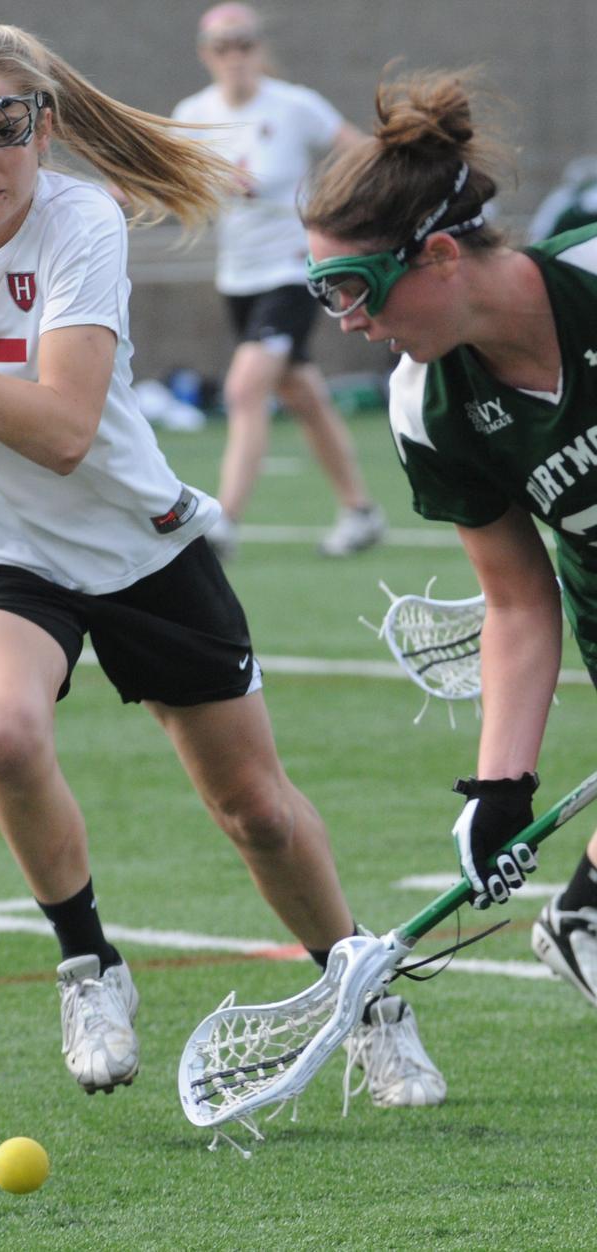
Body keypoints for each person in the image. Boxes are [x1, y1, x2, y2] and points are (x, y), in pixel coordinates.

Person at [0, 23, 445, 1105]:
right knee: (5, 733)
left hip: (136, 542)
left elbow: (67, 432)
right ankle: (89, 965)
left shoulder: (81, 221)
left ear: (45, 130)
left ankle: (366, 1000)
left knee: (255, 810)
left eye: (5, 130)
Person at [302, 65, 597, 1008]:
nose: (353, 323)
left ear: (436, 256)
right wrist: (500, 788)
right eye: (328, 296)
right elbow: (516, 599)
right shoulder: (426, 407)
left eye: (358, 290)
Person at [171, 2, 386, 559]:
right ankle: (361, 511)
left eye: (244, 44)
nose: (235, 56)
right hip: (237, 276)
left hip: (292, 270)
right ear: (205, 54)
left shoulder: (294, 105)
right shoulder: (194, 112)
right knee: (303, 394)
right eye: (223, 47)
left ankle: (224, 522)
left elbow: (363, 153)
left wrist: (341, 215)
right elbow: (168, 176)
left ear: (259, 48)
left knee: (245, 388)